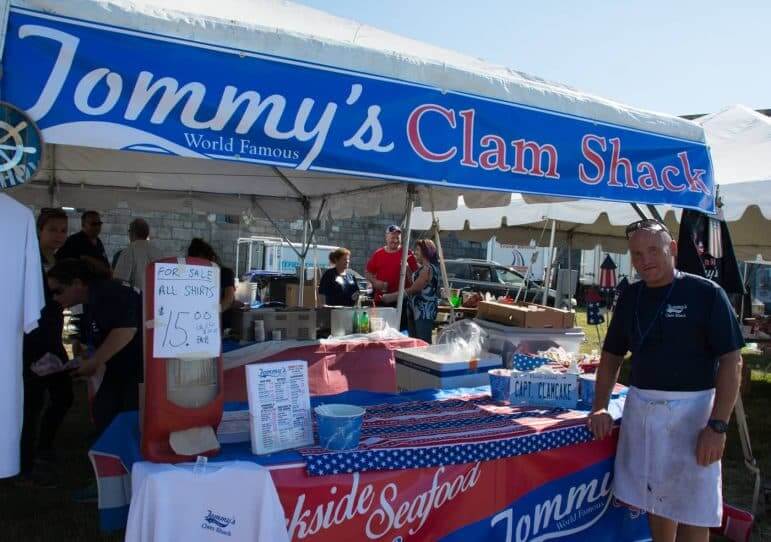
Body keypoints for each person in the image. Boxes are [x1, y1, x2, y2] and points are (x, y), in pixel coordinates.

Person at [587, 219, 744, 542]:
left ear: (671, 248)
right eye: (637, 254)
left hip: (695, 416)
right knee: (656, 500)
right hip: (644, 413)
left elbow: (732, 360)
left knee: (694, 506)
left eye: (652, 250)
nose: (645, 260)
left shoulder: (706, 294)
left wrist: (717, 426)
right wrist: (600, 407)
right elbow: (612, 355)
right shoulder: (630, 296)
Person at [48, 259, 143, 437]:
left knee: (122, 417)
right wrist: (84, 356)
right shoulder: (88, 300)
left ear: (77, 283)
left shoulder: (108, 291)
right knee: (104, 411)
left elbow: (125, 330)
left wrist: (94, 362)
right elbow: (92, 335)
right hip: (121, 368)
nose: (55, 298)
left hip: (139, 369)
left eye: (58, 291)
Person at [20, 209, 74, 486]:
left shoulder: (59, 261)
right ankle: (25, 464)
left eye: (63, 230)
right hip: (32, 340)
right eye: (52, 229)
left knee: (64, 396)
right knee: (31, 404)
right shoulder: (28, 260)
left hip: (53, 338)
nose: (59, 235)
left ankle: (44, 447)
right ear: (39, 230)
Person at [384, 239, 439, 343]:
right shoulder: (422, 268)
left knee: (423, 342)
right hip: (415, 310)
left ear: (425, 252)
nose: (414, 252)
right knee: (414, 342)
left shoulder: (428, 269)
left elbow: (414, 289)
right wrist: (407, 268)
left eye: (417, 250)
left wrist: (392, 297)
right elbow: (413, 283)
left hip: (424, 312)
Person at [365, 224, 418, 328]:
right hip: (381, 301)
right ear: (386, 237)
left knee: (399, 331)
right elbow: (368, 272)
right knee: (380, 331)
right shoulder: (378, 254)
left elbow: (415, 279)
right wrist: (375, 282)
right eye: (392, 237)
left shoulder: (407, 253)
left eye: (398, 238)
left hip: (401, 301)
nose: (395, 240)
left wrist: (407, 268)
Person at [187, 238, 236, 327]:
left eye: (202, 262)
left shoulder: (225, 273)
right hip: (197, 323)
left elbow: (228, 299)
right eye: (195, 263)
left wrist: (210, 314)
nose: (199, 266)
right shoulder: (191, 275)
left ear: (212, 258)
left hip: (221, 324)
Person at [113, 218, 164, 292]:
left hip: (135, 296)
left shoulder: (129, 250)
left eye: (129, 231)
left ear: (132, 233)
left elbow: (119, 279)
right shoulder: (158, 252)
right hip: (154, 295)